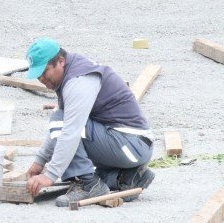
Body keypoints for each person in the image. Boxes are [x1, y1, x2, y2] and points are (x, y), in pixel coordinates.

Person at [23, 38, 155, 207]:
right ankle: (127, 177)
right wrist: (39, 162)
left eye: (44, 71)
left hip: (131, 145)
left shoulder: (79, 81)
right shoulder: (71, 71)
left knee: (61, 122)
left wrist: (50, 175)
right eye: (37, 74)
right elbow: (62, 125)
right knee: (62, 121)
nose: (41, 78)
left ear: (61, 62)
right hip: (132, 145)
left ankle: (88, 184)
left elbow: (69, 131)